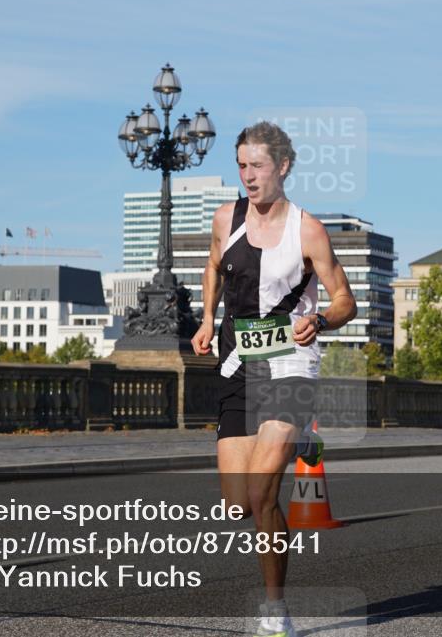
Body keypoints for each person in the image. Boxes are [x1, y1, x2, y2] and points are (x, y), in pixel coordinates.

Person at [191, 121, 356, 637]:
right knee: (238, 503)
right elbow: (214, 264)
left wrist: (322, 319)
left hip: (290, 358)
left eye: (257, 165)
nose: (247, 175)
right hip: (239, 357)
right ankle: (303, 437)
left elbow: (344, 299)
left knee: (263, 494)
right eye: (241, 165)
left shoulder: (307, 229)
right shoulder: (226, 218)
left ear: (283, 166)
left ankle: (274, 607)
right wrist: (205, 315)